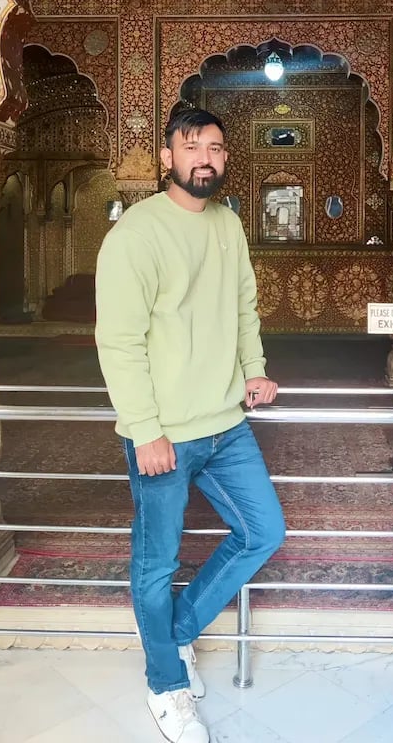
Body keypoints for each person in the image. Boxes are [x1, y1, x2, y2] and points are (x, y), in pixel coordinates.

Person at [95, 107, 286, 743]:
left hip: (226, 423)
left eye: (215, 147)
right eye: (191, 145)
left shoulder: (229, 225)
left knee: (264, 531)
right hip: (165, 436)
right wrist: (145, 427)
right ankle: (165, 685)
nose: (204, 156)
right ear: (166, 157)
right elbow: (119, 342)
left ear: (225, 159)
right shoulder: (136, 234)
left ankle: (173, 638)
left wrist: (254, 370)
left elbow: (243, 306)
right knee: (156, 565)